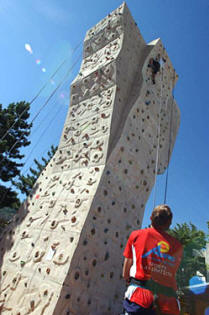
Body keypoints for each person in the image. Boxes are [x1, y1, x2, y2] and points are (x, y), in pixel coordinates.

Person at [122, 204, 183, 315]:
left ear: (151, 218)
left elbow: (126, 269)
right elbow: (172, 273)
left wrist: (127, 279)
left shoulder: (136, 235)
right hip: (168, 301)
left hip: (140, 297)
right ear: (169, 224)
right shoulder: (178, 246)